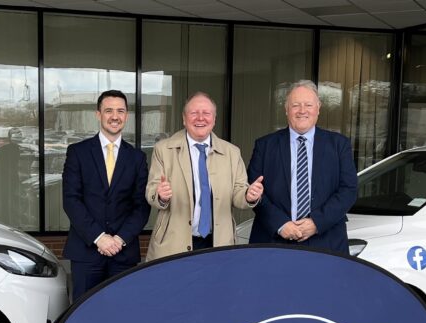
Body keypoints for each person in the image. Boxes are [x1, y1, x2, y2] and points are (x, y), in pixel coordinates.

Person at [145, 92, 264, 260]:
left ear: (214, 119)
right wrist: (161, 196)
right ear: (184, 119)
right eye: (194, 113)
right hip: (173, 242)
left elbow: (238, 193)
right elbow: (152, 190)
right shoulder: (164, 149)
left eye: (206, 113)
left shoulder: (231, 152)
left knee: (217, 286)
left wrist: (248, 195)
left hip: (218, 242)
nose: (200, 118)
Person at [247, 80, 358, 253]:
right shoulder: (265, 145)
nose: (302, 111)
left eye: (308, 105)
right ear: (286, 109)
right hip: (273, 242)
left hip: (326, 242)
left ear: (318, 108)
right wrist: (281, 224)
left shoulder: (339, 145)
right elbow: (254, 192)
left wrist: (316, 223)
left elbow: (348, 190)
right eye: (295, 105)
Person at [62, 90, 151, 300]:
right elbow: (71, 200)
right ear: (98, 114)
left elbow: (141, 206)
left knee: (121, 314)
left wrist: (119, 240)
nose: (115, 116)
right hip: (86, 251)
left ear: (126, 116)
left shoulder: (137, 158)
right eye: (108, 110)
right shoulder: (78, 152)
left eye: (120, 111)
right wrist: (100, 238)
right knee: (83, 315)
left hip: (123, 253)